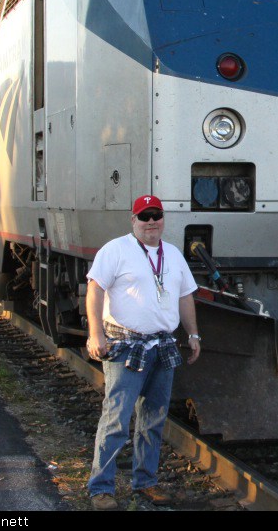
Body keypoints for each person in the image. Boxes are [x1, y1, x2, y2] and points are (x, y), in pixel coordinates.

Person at [85, 195, 201, 510]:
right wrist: (95, 333)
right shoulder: (116, 250)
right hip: (126, 348)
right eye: (144, 216)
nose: (151, 222)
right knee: (117, 419)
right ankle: (101, 488)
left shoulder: (173, 254)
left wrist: (193, 333)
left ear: (163, 219)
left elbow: (185, 296)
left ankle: (145, 483)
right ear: (133, 220)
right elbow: (94, 289)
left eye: (156, 215)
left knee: (153, 418)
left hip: (162, 347)